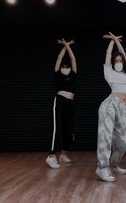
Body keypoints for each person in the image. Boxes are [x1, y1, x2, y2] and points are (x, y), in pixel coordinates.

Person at [96, 32, 126, 182]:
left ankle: (113, 165)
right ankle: (102, 168)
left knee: (123, 142)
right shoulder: (109, 71)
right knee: (105, 137)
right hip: (110, 105)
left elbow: (123, 53)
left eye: (120, 61)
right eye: (116, 60)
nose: (118, 62)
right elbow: (108, 54)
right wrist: (111, 41)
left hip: (122, 108)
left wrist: (118, 40)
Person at [46, 38, 77, 169]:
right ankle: (51, 156)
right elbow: (59, 58)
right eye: (63, 67)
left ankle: (63, 154)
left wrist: (68, 47)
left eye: (67, 66)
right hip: (60, 101)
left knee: (68, 130)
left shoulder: (73, 74)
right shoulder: (58, 74)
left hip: (70, 103)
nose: (65, 68)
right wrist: (64, 46)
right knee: (57, 128)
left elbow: (73, 60)